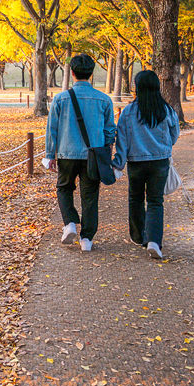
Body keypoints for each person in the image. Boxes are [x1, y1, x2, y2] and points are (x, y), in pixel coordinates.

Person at [44, 52, 116, 253]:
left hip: (67, 153)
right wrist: (107, 152)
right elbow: (110, 130)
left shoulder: (60, 98)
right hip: (93, 156)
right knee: (90, 196)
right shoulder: (104, 100)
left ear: (72, 72)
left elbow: (52, 129)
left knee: (64, 188)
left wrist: (50, 154)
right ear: (91, 74)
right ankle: (87, 239)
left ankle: (69, 223)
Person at [113, 68, 181, 262]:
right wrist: (165, 147)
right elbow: (174, 134)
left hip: (136, 162)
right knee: (155, 201)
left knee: (135, 198)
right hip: (160, 162)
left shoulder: (128, 112)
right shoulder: (166, 109)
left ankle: (138, 236)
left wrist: (119, 162)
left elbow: (122, 140)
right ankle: (153, 241)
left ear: (137, 87)